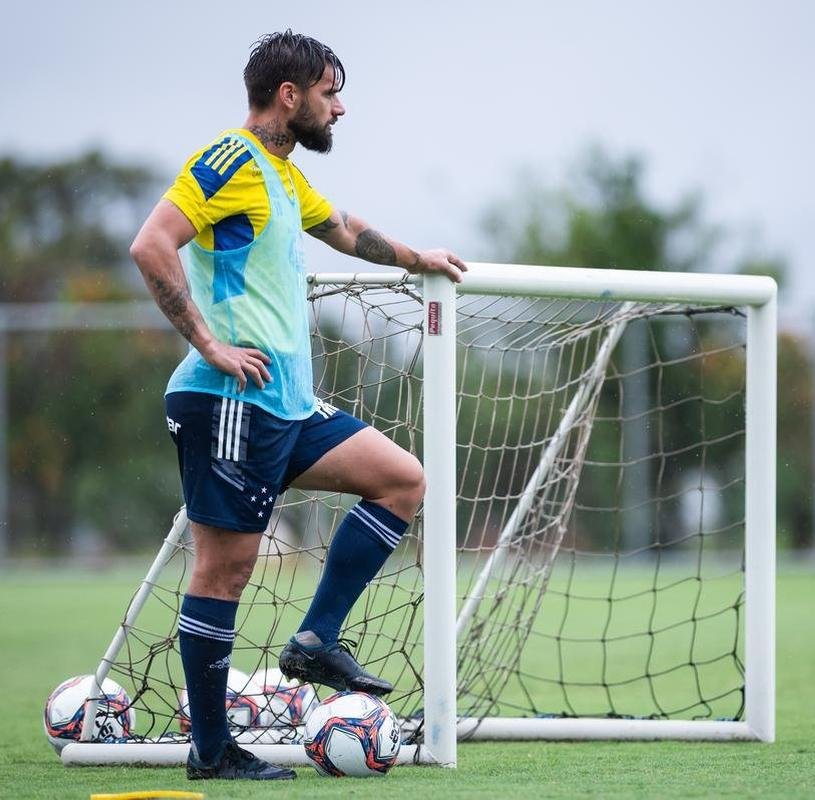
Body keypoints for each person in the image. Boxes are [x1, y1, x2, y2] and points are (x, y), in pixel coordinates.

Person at [129, 31, 466, 781]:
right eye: (329, 92)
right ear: (290, 95)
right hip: (227, 402)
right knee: (224, 574)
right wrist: (210, 344)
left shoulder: (281, 175)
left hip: (285, 405)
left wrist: (420, 258)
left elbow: (344, 230)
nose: (339, 108)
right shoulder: (228, 160)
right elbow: (151, 244)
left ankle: (314, 641)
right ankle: (212, 751)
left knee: (401, 479)